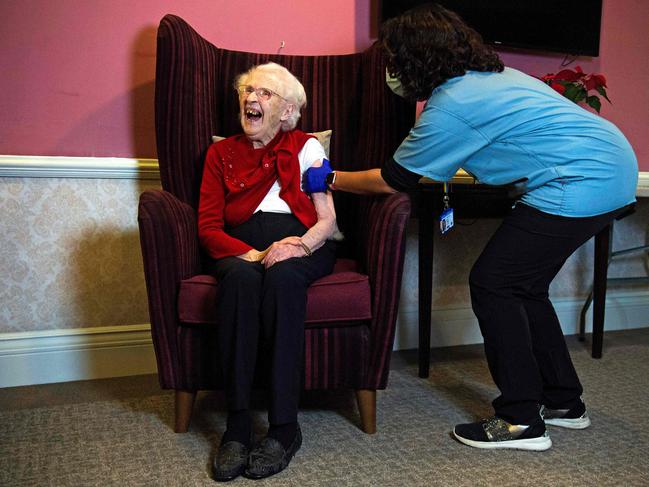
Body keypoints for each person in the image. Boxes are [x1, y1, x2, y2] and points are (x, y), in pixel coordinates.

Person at [303, 3, 638, 451]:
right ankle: (563, 402)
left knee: (493, 282)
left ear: (417, 58)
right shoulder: (493, 79)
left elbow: (393, 180)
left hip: (581, 180)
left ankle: (521, 420)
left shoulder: (453, 104)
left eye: (395, 59)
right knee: (525, 287)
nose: (392, 69)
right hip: (613, 166)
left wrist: (329, 177)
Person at [198, 62, 338, 480]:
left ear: (288, 109)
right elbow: (207, 226)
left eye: (265, 93)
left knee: (283, 280)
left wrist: (299, 245)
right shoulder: (219, 153)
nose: (250, 99)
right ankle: (237, 428)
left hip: (302, 241)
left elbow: (326, 220)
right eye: (248, 91)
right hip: (240, 247)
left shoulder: (307, 147)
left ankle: (283, 428)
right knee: (240, 282)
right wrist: (253, 254)